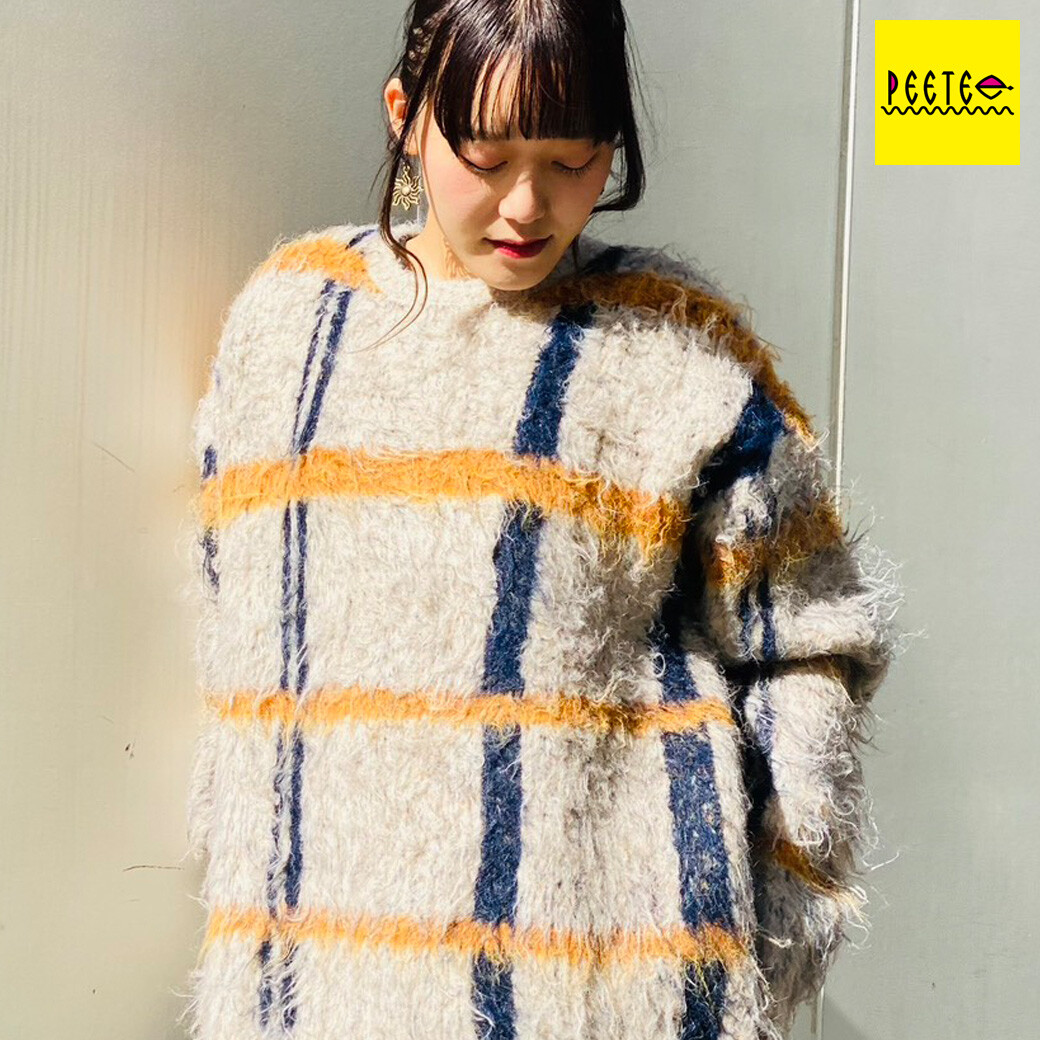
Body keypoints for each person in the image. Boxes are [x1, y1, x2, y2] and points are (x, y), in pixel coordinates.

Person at [180, 2, 906, 1039]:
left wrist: (782, 901)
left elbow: (808, 633)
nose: (526, 205)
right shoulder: (293, 324)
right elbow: (240, 608)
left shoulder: (673, 346)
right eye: (485, 155)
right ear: (405, 118)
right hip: (325, 973)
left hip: (611, 984)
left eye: (572, 161)